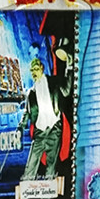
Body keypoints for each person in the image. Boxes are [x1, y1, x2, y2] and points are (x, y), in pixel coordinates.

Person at [20, 52, 73, 180]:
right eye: (32, 70)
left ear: (42, 68)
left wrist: (70, 68)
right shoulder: (31, 93)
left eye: (36, 69)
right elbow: (27, 112)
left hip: (54, 129)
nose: (34, 72)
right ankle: (26, 190)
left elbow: (66, 91)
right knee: (31, 165)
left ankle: (48, 192)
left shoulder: (54, 82)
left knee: (51, 166)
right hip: (39, 132)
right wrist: (20, 127)